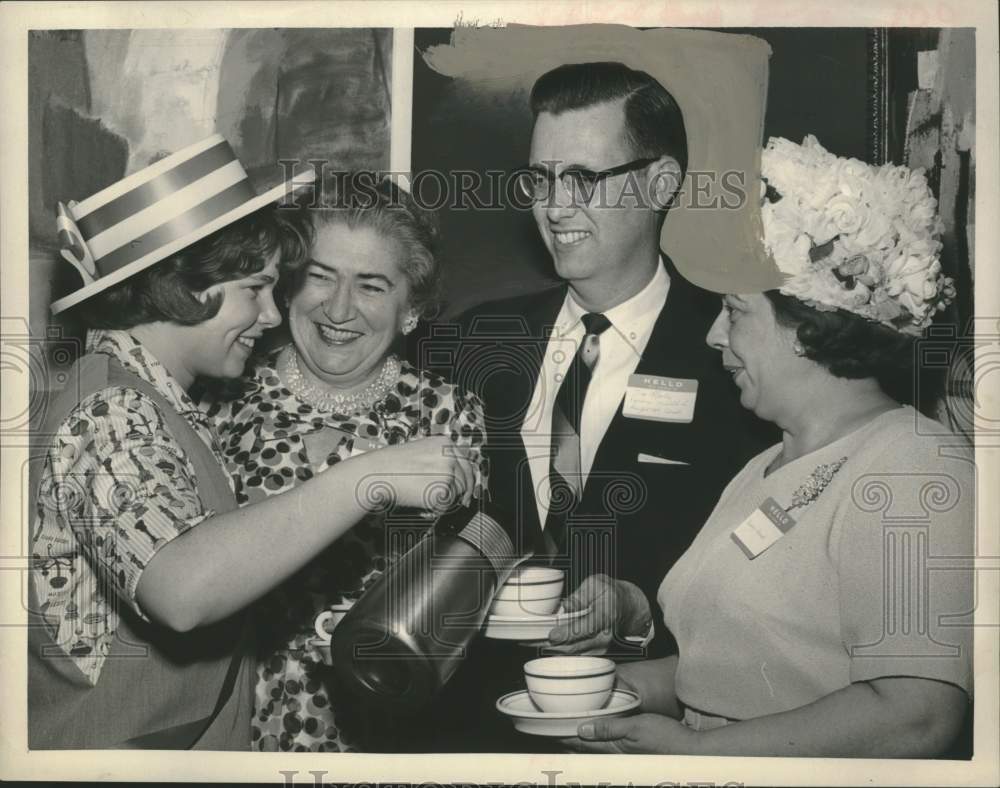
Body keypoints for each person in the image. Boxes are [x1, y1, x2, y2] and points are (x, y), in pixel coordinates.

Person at [28, 137, 475, 750]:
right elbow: (182, 591)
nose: (271, 314)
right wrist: (365, 477)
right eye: (254, 289)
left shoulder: (157, 399)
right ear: (185, 288)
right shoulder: (110, 409)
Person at [561, 135, 973, 757]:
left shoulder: (912, 466)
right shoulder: (763, 465)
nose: (712, 334)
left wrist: (696, 757)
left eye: (733, 311)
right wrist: (612, 690)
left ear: (807, 328)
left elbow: (917, 716)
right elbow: (731, 673)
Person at [418, 62, 771, 751]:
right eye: (539, 179)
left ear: (661, 183)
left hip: (643, 730)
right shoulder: (470, 340)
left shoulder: (735, 358)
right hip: (466, 730)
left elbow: (769, 588)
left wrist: (638, 612)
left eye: (582, 177)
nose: (553, 206)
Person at [200, 176, 488, 752]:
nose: (337, 308)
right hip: (225, 728)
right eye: (320, 276)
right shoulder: (219, 400)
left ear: (412, 309)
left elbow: (460, 608)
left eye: (372, 286)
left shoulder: (449, 415)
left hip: (385, 734)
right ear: (285, 287)